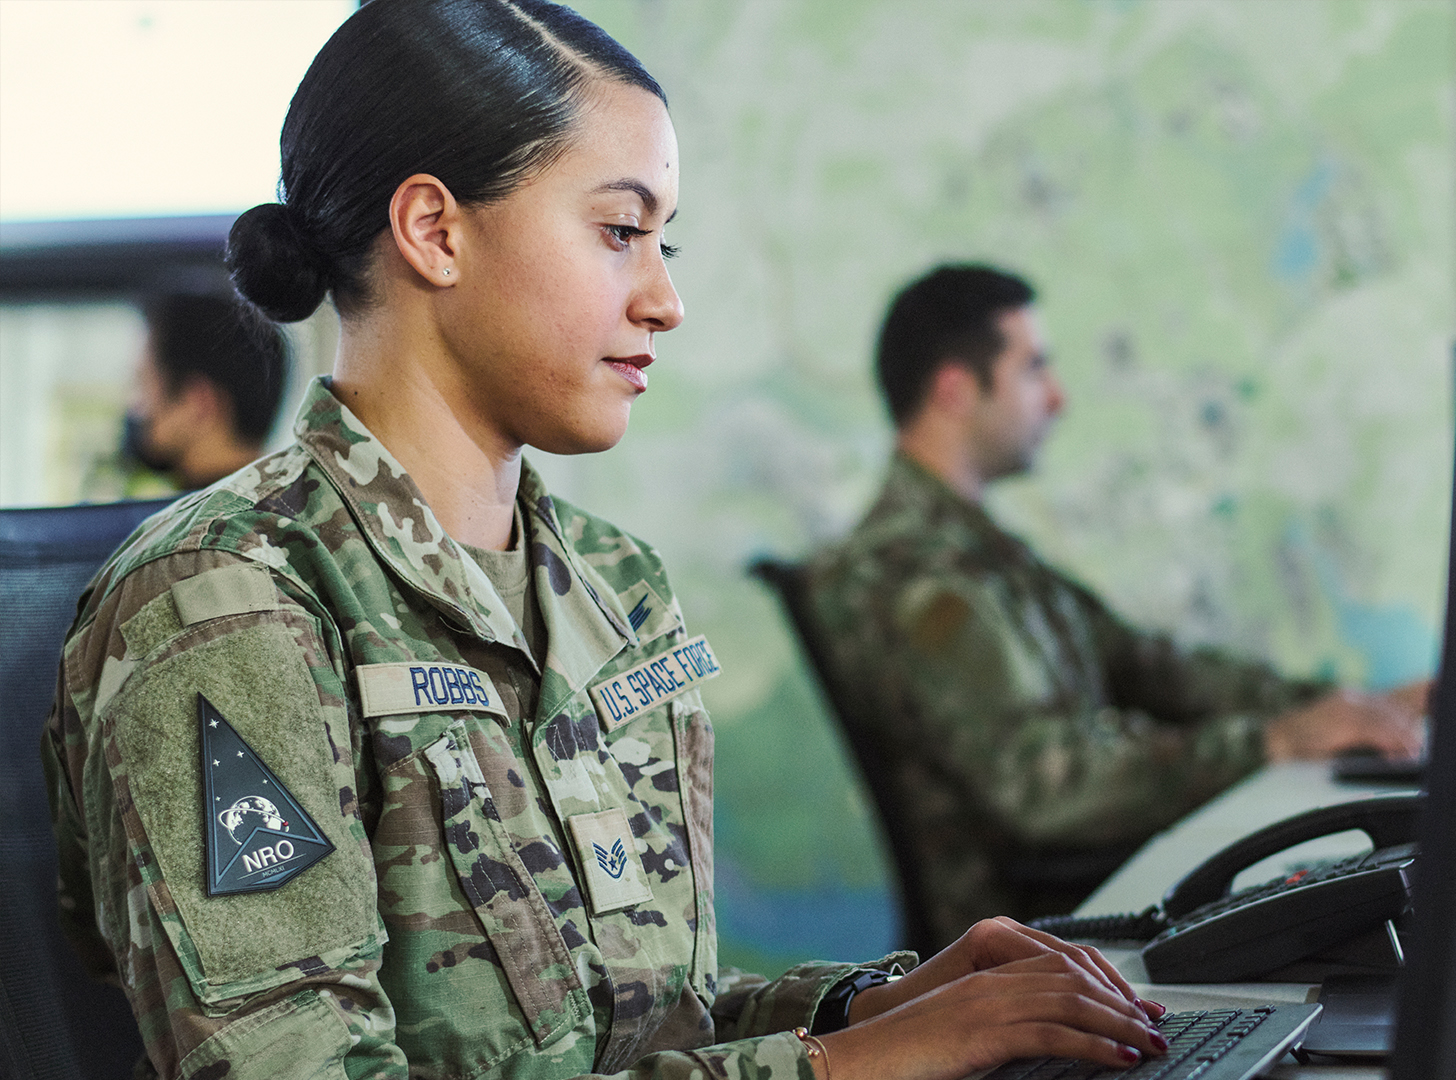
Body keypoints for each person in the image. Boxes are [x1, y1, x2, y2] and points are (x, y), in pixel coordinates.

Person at [42, 4, 1169, 1078]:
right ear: (435, 230)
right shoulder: (228, 605)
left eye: (662, 240)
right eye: (622, 232)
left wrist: (882, 1008)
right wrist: (837, 1068)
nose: (666, 298)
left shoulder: (613, 584)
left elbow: (631, 1027)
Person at [807, 264, 1429, 948]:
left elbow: (1151, 666)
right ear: (956, 389)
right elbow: (1047, 783)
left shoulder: (977, 549)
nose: (1058, 398)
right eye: (1034, 369)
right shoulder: (914, 575)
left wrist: (1341, 706)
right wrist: (1270, 741)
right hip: (1024, 942)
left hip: (1087, 897)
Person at [85, 291, 291, 500]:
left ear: (198, 404)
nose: (133, 405)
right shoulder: (289, 510)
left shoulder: (192, 526)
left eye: (141, 384)